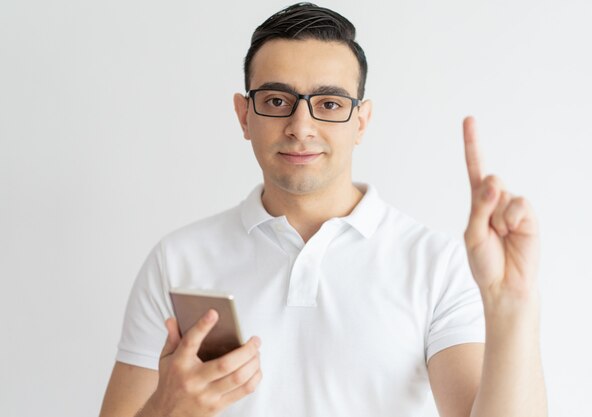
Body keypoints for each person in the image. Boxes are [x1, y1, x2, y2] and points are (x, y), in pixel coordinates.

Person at [99, 3, 548, 417]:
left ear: (361, 121)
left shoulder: (434, 264)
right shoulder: (177, 260)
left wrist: (513, 306)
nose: (301, 127)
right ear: (243, 115)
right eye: (277, 101)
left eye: (329, 104)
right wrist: (164, 409)